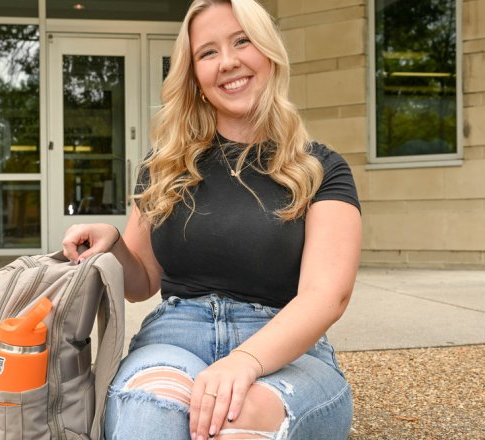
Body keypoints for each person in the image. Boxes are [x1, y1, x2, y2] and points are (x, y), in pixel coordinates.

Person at [61, 0, 362, 438]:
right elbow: (142, 281)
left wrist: (244, 361)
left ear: (269, 53)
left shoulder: (321, 168)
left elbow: (327, 296)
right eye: (208, 52)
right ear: (196, 78)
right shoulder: (164, 165)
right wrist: (114, 243)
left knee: (237, 422)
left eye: (242, 41)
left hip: (286, 349)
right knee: (151, 414)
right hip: (174, 337)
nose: (228, 62)